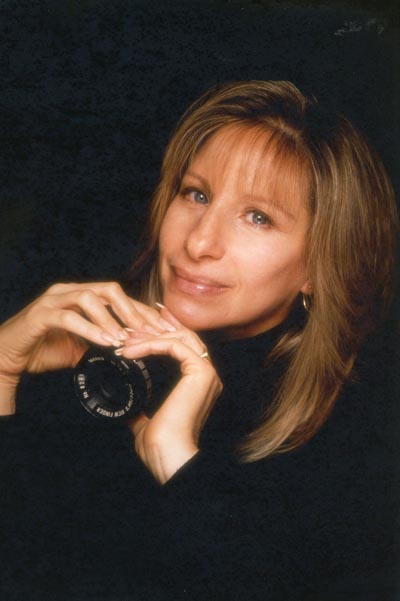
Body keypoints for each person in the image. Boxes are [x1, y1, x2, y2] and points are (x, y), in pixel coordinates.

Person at [0, 81, 398, 601]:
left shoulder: (363, 446)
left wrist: (176, 460)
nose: (199, 241)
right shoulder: (94, 356)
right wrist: (2, 371)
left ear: (321, 268)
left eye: (258, 218)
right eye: (197, 194)